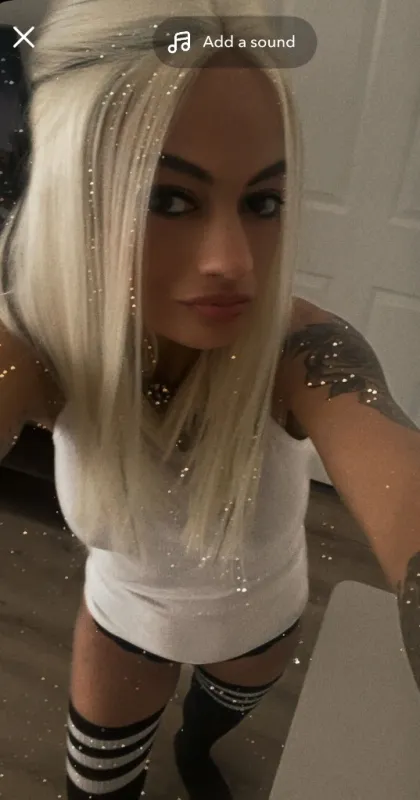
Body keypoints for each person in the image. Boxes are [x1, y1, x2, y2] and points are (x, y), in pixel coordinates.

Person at [2, 1, 419, 799]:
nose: (234, 261)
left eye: (261, 203)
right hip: (124, 630)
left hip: (257, 633)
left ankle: (196, 751)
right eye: (168, 199)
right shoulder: (42, 349)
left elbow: (396, 471)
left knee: (205, 738)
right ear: (71, 204)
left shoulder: (301, 353)